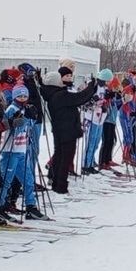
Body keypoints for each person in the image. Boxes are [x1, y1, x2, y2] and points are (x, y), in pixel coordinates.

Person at [38, 66, 98, 194]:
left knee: (60, 156)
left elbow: (79, 98)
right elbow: (79, 98)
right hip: (67, 130)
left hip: (61, 129)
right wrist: (91, 87)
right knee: (65, 158)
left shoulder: (52, 94)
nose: (62, 82)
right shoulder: (60, 95)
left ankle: (56, 182)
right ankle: (60, 185)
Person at [0, 85, 45, 219]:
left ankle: (31, 206)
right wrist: (25, 118)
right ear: (14, 97)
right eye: (19, 96)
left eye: (25, 96)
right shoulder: (12, 109)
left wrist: (33, 116)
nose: (22, 99)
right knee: (6, 180)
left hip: (22, 151)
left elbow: (28, 129)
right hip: (10, 150)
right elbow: (14, 130)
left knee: (28, 180)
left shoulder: (25, 108)